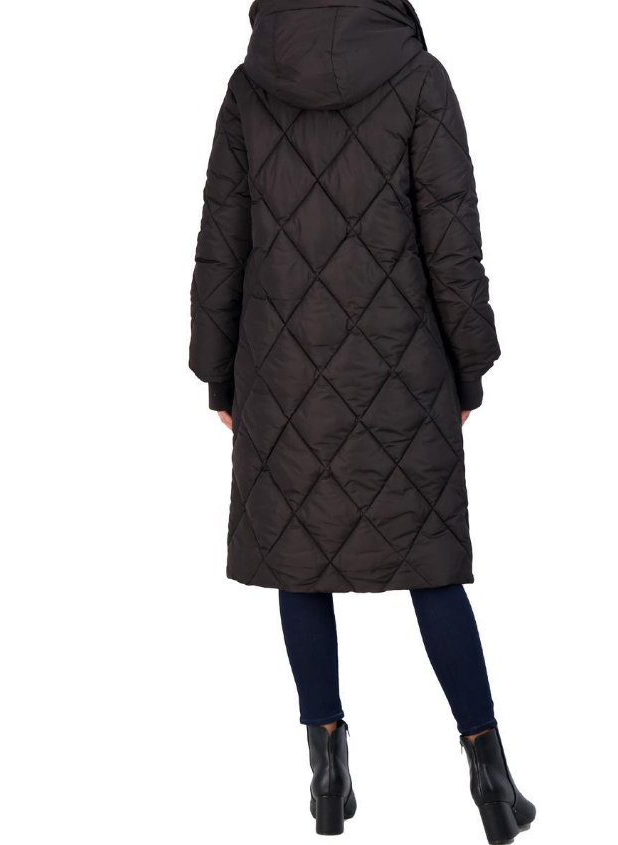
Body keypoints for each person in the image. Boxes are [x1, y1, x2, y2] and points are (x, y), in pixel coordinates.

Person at [188, 1, 535, 840]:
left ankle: (326, 767)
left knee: (298, 561)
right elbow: (452, 242)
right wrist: (468, 364)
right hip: (402, 363)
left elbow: (221, 239)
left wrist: (216, 369)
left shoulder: (249, 85)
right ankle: (488, 773)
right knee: (430, 564)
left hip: (278, 366)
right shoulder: (419, 78)